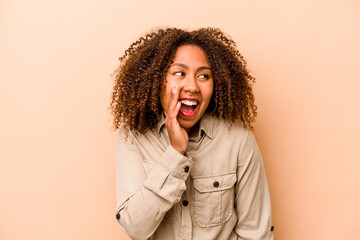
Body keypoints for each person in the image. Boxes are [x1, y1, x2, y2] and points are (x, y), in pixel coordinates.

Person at [110, 27, 274, 240]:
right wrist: (175, 154)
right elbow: (135, 228)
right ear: (157, 79)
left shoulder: (238, 140)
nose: (192, 86)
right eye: (180, 73)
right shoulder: (133, 136)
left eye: (203, 76)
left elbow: (256, 233)